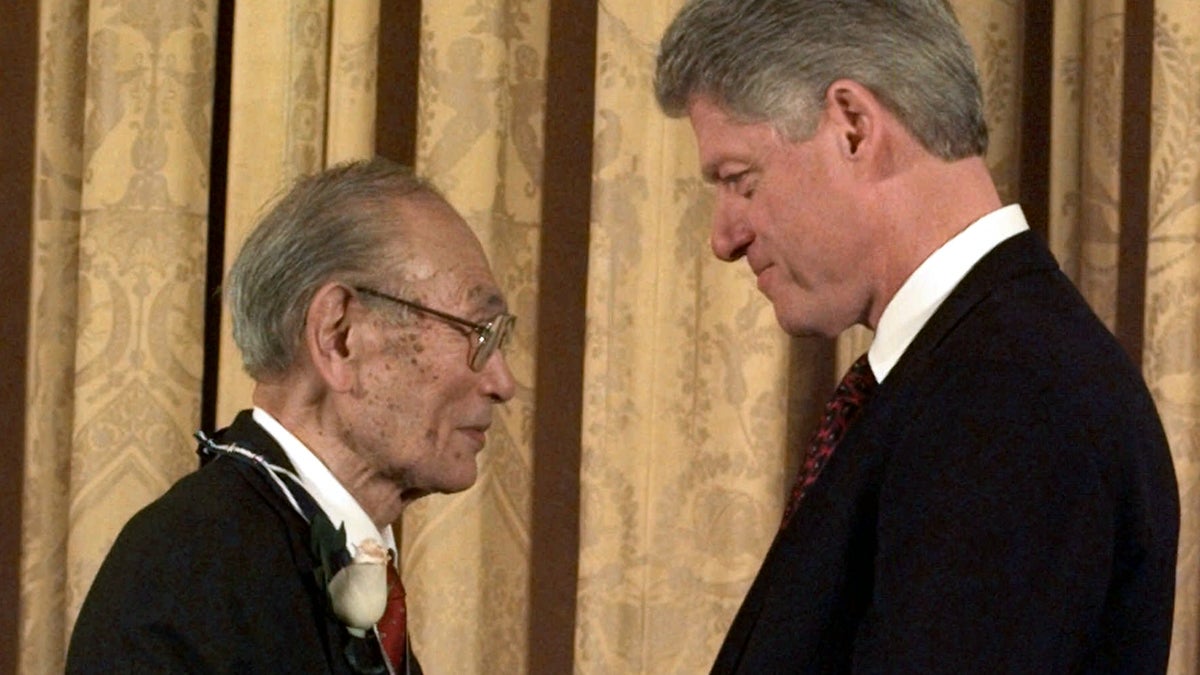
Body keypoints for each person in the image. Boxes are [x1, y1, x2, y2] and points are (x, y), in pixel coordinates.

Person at [655, 1, 1179, 672]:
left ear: (852, 126)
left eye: (738, 180)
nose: (724, 237)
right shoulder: (971, 372)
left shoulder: (1010, 401)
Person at [66, 157, 517, 674]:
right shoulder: (192, 568)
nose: (502, 383)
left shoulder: (305, 547)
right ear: (340, 337)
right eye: (477, 333)